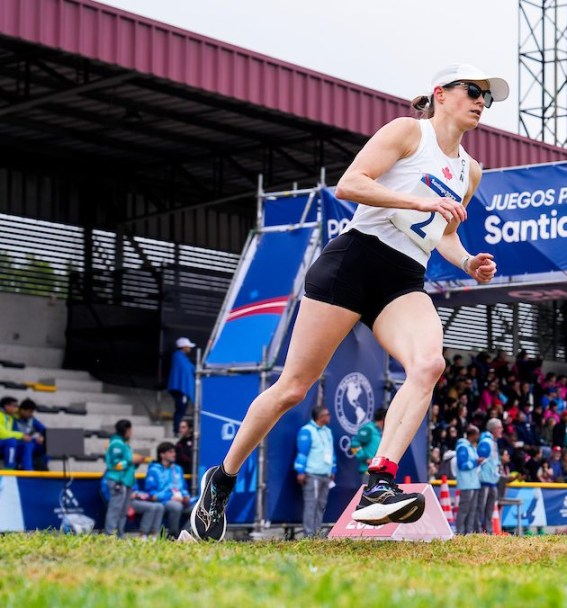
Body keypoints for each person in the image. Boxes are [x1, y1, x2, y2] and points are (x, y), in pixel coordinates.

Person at [189, 64, 504, 541]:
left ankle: (380, 484)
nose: (482, 101)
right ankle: (220, 482)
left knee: (429, 364)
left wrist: (467, 263)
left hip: (402, 279)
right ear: (441, 94)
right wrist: (418, 203)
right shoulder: (406, 132)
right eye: (474, 90)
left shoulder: (471, 171)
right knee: (293, 387)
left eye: (489, 97)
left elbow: (446, 234)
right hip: (353, 263)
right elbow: (350, 185)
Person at [294, 407, 337, 538]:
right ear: (320, 417)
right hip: (312, 474)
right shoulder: (307, 431)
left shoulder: (327, 431)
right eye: (327, 414)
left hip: (325, 474)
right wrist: (300, 471)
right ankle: (308, 534)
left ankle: (317, 533)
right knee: (311, 504)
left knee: (321, 505)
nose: (329, 417)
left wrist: (333, 469)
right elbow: (302, 453)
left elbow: (331, 452)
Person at [103, 419, 147, 537]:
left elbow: (128, 464)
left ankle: (119, 534)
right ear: (126, 430)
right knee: (115, 509)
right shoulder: (116, 444)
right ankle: (110, 534)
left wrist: (137, 462)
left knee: (123, 511)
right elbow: (113, 464)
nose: (131, 433)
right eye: (130, 430)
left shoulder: (124, 445)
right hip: (118, 481)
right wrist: (131, 460)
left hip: (126, 482)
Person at [144, 441, 192, 538]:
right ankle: (172, 536)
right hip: (163, 501)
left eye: (174, 452)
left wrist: (185, 496)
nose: (174, 454)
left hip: (180, 500)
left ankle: (184, 534)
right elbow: (151, 493)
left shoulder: (178, 469)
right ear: (162, 454)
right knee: (176, 506)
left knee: (197, 509)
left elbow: (183, 488)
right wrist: (170, 497)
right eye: (170, 452)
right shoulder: (154, 470)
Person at [454, 425, 482, 534]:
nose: (478, 437)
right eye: (477, 434)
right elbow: (462, 465)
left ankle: (469, 532)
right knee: (464, 510)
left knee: (472, 510)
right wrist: (476, 462)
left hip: (474, 483)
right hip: (466, 484)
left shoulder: (472, 448)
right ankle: (460, 532)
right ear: (472, 435)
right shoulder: (463, 447)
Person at [477, 418, 502, 533]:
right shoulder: (486, 442)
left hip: (492, 479)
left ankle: (488, 529)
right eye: (499, 427)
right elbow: (480, 460)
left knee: (490, 507)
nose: (501, 429)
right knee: (481, 507)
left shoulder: (493, 442)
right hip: (484, 479)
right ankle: (477, 530)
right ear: (494, 429)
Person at [349, 407, 386, 485]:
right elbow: (354, 445)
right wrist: (365, 459)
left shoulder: (380, 431)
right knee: (368, 495)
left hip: (379, 472)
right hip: (368, 471)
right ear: (384, 418)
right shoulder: (369, 429)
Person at [168, 337, 196, 436]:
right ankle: (177, 431)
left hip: (180, 389)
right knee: (180, 410)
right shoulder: (178, 356)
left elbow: (191, 369)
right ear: (184, 347)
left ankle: (177, 430)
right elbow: (187, 371)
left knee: (181, 410)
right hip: (180, 389)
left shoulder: (182, 357)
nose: (190, 348)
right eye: (188, 346)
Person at [0, 396, 34, 470]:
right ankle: (9, 469)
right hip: (3, 441)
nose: (17, 409)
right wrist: (21, 435)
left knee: (27, 445)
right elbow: (2, 434)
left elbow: (23, 414)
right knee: (11, 441)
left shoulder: (10, 416)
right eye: (15, 406)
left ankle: (28, 471)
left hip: (4, 443)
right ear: (6, 406)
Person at [15, 398, 47, 470]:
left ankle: (43, 469)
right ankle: (28, 471)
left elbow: (44, 429)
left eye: (32, 412)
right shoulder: (13, 418)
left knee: (47, 446)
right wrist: (33, 437)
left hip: (31, 441)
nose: (31, 414)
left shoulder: (31, 418)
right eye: (29, 412)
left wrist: (42, 436)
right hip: (18, 443)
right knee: (28, 445)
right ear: (22, 410)